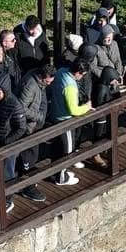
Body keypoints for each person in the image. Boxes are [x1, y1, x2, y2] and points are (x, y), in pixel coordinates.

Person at [48, 57, 93, 185]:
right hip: (64, 120)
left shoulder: (61, 71)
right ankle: (62, 177)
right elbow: (74, 110)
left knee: (57, 147)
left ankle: (57, 172)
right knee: (67, 149)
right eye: (82, 75)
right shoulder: (70, 86)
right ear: (78, 72)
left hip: (54, 115)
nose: (82, 77)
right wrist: (87, 107)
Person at [0, 81, 28, 210]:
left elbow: (21, 128)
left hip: (7, 144)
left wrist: (7, 142)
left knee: (8, 173)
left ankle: (8, 199)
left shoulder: (15, 105)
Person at [17, 63, 56, 195]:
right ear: (42, 76)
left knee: (33, 154)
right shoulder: (30, 86)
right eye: (48, 81)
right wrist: (39, 116)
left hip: (34, 125)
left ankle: (29, 180)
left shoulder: (38, 81)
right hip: (29, 127)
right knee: (29, 155)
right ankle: (27, 185)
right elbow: (21, 108)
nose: (49, 84)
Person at [0, 29, 21, 93]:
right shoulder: (0, 58)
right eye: (13, 40)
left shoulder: (11, 51)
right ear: (4, 43)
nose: (15, 41)